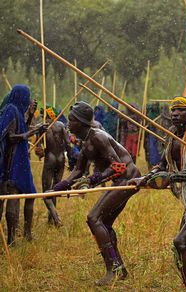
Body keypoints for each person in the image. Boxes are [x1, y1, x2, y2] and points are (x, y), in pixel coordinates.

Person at [129, 97, 186, 291]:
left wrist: (173, 177)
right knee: (182, 248)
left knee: (181, 244)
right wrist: (145, 178)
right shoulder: (171, 134)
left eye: (181, 110)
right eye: (173, 110)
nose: (175, 113)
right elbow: (163, 165)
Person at [52, 101, 140, 285]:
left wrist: (93, 179)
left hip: (127, 179)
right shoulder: (85, 143)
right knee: (104, 223)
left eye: (72, 120)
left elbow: (119, 166)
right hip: (119, 180)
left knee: (94, 218)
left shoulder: (98, 137)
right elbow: (78, 170)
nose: (68, 124)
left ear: (81, 122)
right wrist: (59, 187)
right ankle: (119, 268)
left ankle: (112, 270)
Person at [0, 85, 46, 243]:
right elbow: (11, 137)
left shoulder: (18, 111)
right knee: (14, 196)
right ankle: (11, 240)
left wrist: (31, 115)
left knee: (29, 194)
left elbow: (22, 128)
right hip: (12, 163)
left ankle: (26, 234)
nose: (28, 100)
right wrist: (31, 133)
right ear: (21, 96)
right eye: (27, 96)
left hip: (21, 161)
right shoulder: (10, 110)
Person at [35, 105, 71, 226]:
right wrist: (71, 160)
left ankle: (55, 217)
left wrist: (39, 152)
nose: (41, 117)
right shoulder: (61, 125)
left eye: (42, 115)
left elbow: (38, 148)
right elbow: (68, 144)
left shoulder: (41, 127)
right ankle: (51, 220)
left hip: (50, 159)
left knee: (46, 191)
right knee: (55, 189)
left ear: (45, 115)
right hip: (61, 158)